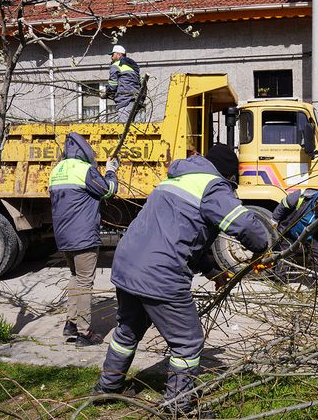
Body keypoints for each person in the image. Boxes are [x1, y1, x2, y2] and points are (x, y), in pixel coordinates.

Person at [92, 144, 269, 414]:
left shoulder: (177, 179)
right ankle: (178, 406)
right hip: (159, 273)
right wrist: (265, 248)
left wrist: (215, 273)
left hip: (127, 265)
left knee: (127, 330)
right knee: (187, 342)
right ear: (227, 173)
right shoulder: (212, 186)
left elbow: (187, 237)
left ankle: (107, 387)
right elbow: (245, 225)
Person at [48, 132, 119, 347]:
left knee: (75, 277)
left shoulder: (57, 170)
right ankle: (84, 332)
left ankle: (70, 324)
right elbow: (108, 191)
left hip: (64, 236)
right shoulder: (84, 170)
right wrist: (111, 171)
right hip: (83, 237)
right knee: (85, 282)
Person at [270, 188, 318, 288]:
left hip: (313, 235)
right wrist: (274, 218)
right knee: (285, 255)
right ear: (316, 202)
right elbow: (284, 204)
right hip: (292, 232)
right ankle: (279, 280)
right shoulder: (302, 196)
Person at [105, 45, 142, 123]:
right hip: (136, 99)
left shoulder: (116, 65)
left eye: (112, 54)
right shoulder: (132, 66)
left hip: (125, 100)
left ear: (119, 54)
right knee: (131, 125)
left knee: (124, 127)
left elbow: (112, 85)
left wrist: (106, 93)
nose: (111, 57)